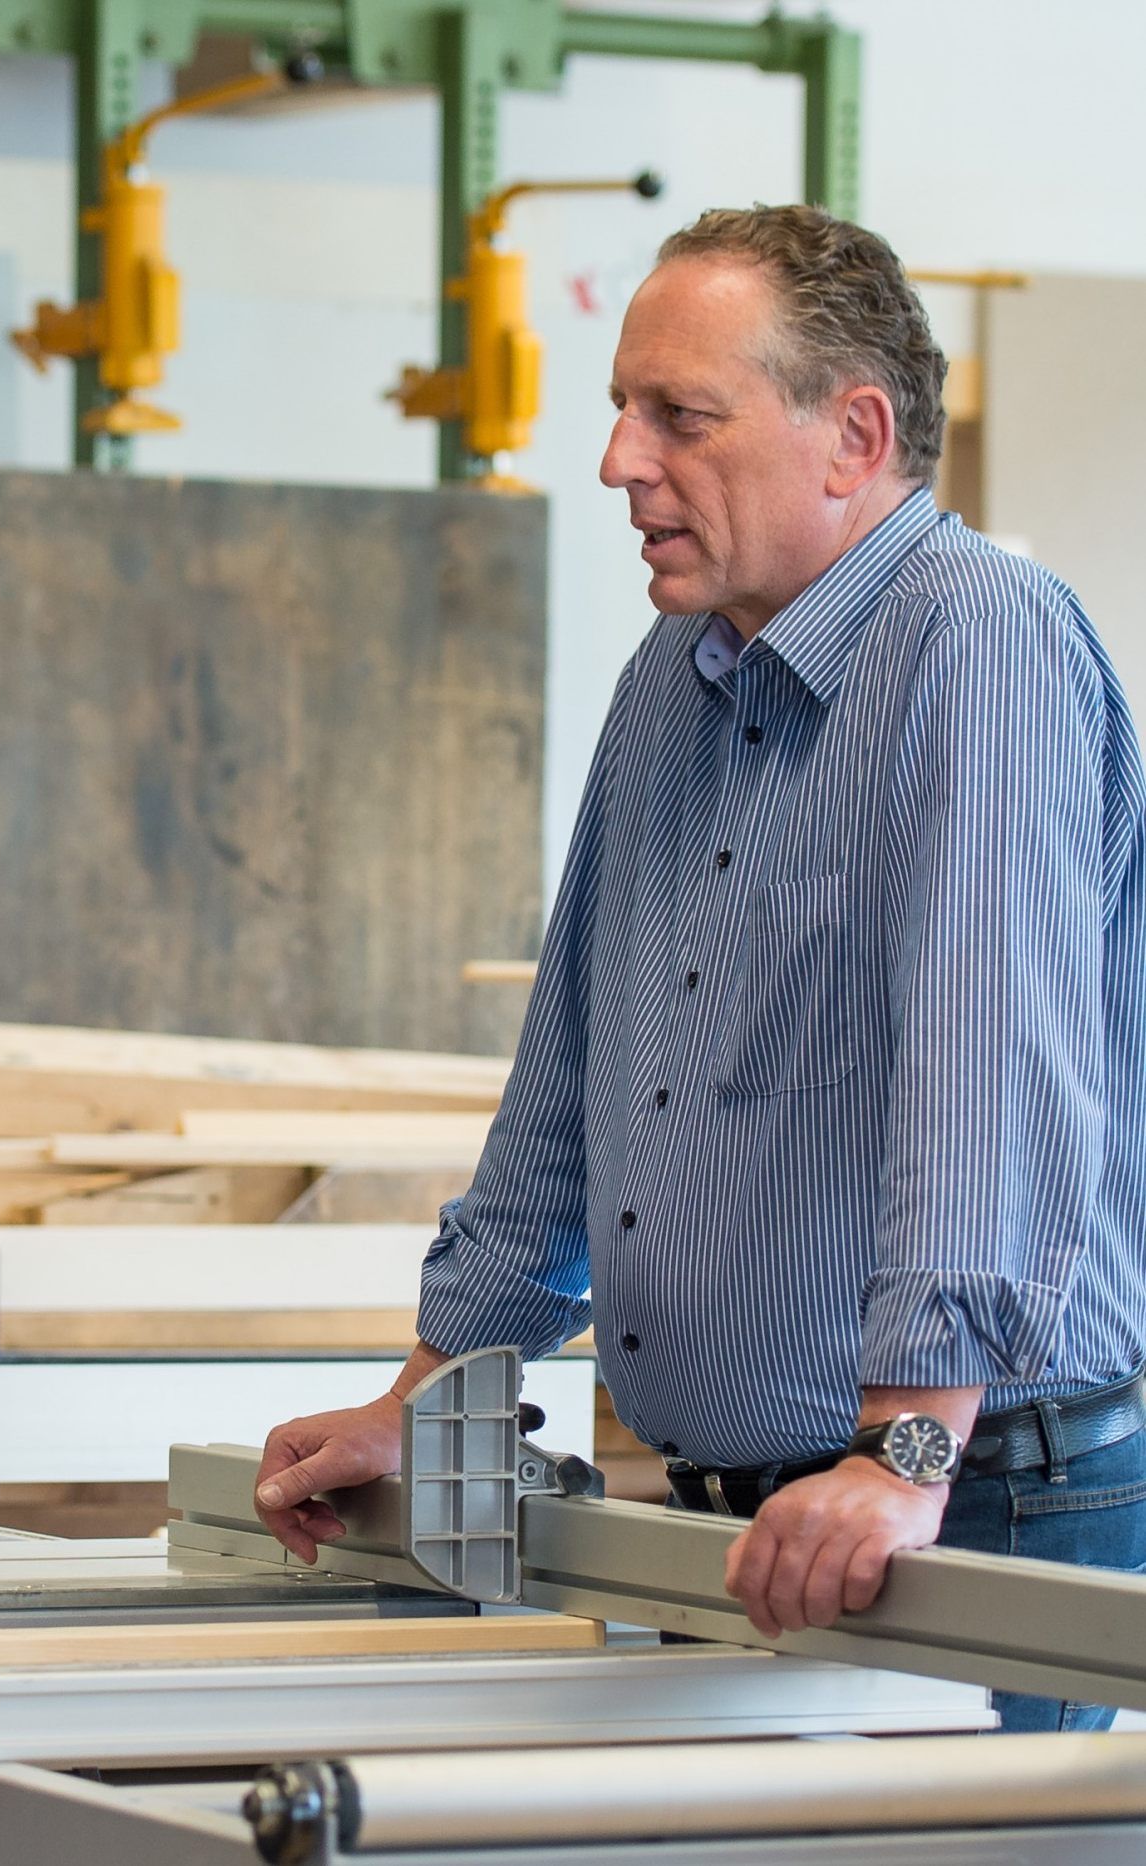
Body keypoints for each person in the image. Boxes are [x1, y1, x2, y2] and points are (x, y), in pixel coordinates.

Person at [254, 204, 1146, 1734]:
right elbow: (566, 1090)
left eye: (679, 416)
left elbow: (985, 1074)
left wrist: (907, 1450)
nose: (618, 461)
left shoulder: (976, 639)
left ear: (850, 436)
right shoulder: (673, 681)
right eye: (619, 410)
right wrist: (423, 1401)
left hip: (968, 1505)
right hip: (751, 1525)